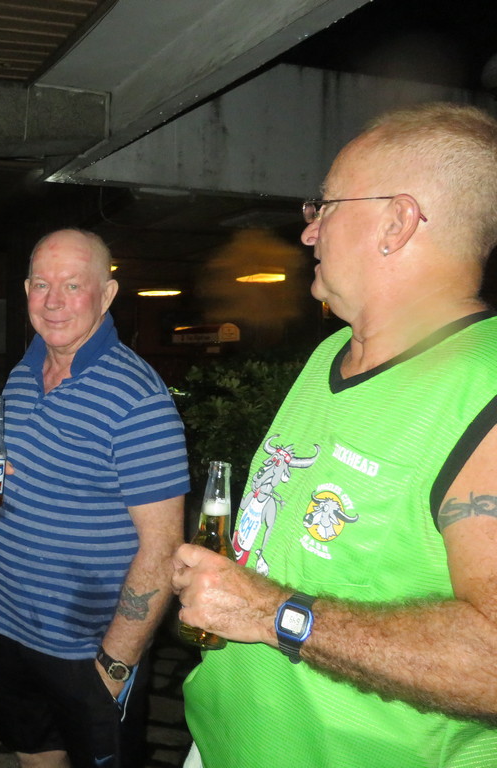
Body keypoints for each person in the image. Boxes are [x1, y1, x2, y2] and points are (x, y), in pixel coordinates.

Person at [173, 101, 497, 768]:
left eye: (326, 206)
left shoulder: (483, 390)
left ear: (396, 222)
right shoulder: (331, 355)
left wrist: (272, 613)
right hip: (224, 744)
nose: (308, 232)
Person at [0, 228, 189, 768]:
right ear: (26, 291)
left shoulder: (138, 399)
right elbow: (20, 472)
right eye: (41, 285)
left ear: (106, 295)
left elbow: (162, 549)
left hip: (90, 646)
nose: (53, 301)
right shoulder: (22, 374)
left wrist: (115, 665)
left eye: (72, 285)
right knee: (34, 755)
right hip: (12, 625)